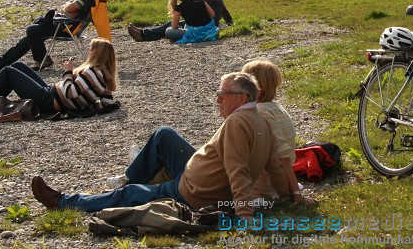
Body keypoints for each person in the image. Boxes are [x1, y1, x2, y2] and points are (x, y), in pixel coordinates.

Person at [31, 72, 310, 218]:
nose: (217, 99)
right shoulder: (258, 119)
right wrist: (293, 196)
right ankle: (129, 178)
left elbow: (237, 170)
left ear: (240, 97)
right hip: (199, 176)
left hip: (191, 191)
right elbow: (275, 165)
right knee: (164, 135)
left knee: (128, 196)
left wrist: (245, 214)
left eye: (222, 94)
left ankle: (66, 202)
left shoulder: (237, 124)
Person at [0, 38, 119, 119]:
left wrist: (68, 72)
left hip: (49, 101)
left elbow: (70, 92)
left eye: (91, 50)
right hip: (51, 95)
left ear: (97, 54)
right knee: (18, 66)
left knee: (7, 72)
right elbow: (108, 103)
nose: (89, 52)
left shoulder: (92, 72)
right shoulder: (104, 77)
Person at [240, 59, 310, 204]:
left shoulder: (261, 113)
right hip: (279, 178)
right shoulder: (276, 108)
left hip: (266, 187)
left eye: (244, 84)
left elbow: (282, 156)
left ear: (258, 88)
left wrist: (295, 193)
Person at [128, 0, 232, 42]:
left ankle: (143, 35)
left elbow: (197, 11)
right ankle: (143, 33)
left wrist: (183, 9)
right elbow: (223, 9)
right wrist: (230, 23)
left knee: (170, 25)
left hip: (206, 24)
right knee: (173, 24)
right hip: (208, 23)